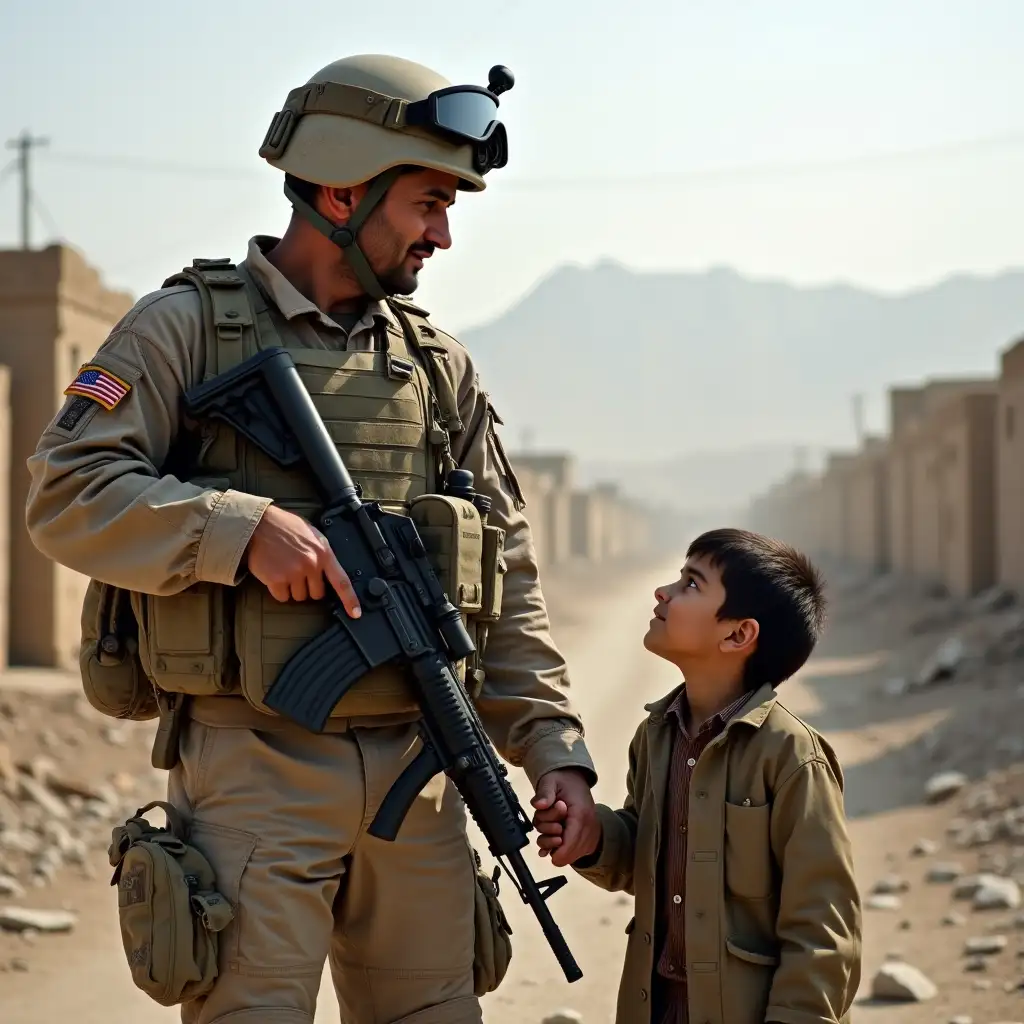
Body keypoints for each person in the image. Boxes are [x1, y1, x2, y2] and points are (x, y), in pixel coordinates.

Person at [24, 54, 600, 1024]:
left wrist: (554, 748)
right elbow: (65, 490)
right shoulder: (185, 330)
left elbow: (505, 573)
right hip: (254, 773)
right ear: (339, 186)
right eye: (426, 202)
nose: (444, 234)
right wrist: (233, 531)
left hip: (421, 778)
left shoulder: (435, 369)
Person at [533, 528, 863, 1024]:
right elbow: (643, 852)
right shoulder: (656, 734)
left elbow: (823, 929)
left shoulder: (791, 756)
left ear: (737, 634)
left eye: (691, 584)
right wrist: (594, 837)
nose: (662, 592)